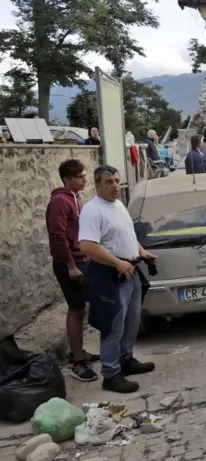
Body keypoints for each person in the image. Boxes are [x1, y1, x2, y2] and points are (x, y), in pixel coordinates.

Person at [79, 165, 157, 393]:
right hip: (110, 275)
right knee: (112, 325)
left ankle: (126, 360)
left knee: (131, 321)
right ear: (97, 185)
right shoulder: (93, 210)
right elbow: (86, 246)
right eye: (109, 182)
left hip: (130, 271)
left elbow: (127, 234)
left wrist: (141, 251)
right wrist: (116, 262)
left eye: (116, 180)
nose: (115, 185)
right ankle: (111, 374)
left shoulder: (118, 204)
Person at [46, 159, 100, 382]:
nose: (84, 179)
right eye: (79, 176)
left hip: (81, 260)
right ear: (67, 179)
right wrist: (71, 266)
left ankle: (79, 351)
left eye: (84, 175)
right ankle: (77, 361)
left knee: (81, 308)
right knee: (76, 309)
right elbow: (57, 236)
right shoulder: (60, 201)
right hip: (70, 264)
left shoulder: (76, 199)